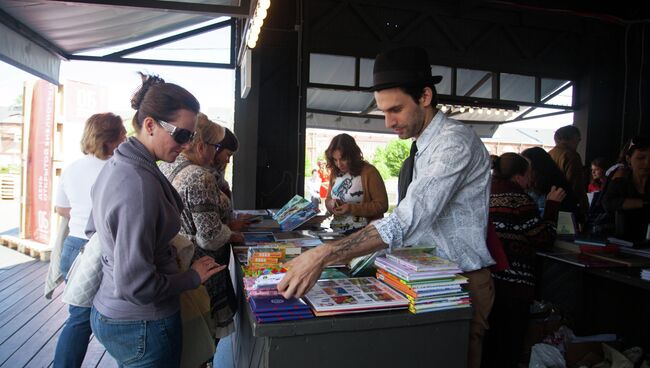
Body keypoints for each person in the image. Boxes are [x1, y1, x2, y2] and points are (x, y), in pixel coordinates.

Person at [278, 46, 495, 368]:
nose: (388, 122)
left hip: (459, 282)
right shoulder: (425, 144)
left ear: (424, 96)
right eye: (383, 111)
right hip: (426, 277)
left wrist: (324, 254)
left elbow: (407, 219)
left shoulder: (453, 142)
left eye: (396, 109)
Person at [88, 73, 223, 367]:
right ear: (149, 125)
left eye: (190, 136)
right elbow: (135, 284)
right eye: (182, 134)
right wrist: (192, 277)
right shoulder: (138, 182)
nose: (187, 145)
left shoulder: (117, 165)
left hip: (114, 310)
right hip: (143, 322)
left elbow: (94, 231)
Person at [52, 112, 126, 368]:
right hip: (102, 247)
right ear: (113, 138)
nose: (126, 137)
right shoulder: (118, 168)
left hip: (73, 247)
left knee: (77, 320)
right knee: (120, 316)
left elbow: (61, 208)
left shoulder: (72, 168)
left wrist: (82, 212)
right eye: (123, 133)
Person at [160, 113, 241, 344]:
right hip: (203, 270)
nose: (218, 154)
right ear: (203, 146)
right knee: (204, 341)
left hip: (179, 264)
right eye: (217, 147)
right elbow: (210, 237)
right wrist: (233, 234)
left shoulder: (170, 166)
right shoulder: (199, 176)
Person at [482, 153, 566, 368]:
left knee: (489, 345)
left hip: (486, 280)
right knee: (508, 345)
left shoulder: (483, 193)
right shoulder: (519, 200)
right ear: (519, 176)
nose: (531, 179)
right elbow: (543, 238)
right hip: (513, 285)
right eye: (529, 174)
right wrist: (552, 207)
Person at [324, 133, 388, 233]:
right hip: (337, 231)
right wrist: (331, 204)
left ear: (353, 156)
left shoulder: (369, 172)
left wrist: (351, 208)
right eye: (335, 160)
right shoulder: (335, 172)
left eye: (343, 159)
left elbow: (382, 205)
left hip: (364, 233)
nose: (339, 164)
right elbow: (328, 198)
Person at [602, 136, 650, 241]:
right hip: (621, 242)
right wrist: (644, 203)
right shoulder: (621, 183)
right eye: (641, 158)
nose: (647, 163)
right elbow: (608, 203)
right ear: (629, 159)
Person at [522, 146, 580, 218]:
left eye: (527, 168)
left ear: (539, 168)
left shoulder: (558, 190)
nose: (523, 172)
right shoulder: (528, 188)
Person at [548, 125, 589, 225]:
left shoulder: (550, 154)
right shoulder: (571, 155)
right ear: (574, 137)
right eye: (578, 139)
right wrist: (584, 207)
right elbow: (575, 183)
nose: (579, 142)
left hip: (552, 201)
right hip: (568, 205)